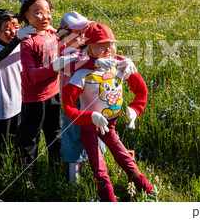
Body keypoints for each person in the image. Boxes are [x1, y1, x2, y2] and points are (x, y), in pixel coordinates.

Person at [16, 0, 117, 175]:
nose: (45, 17)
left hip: (54, 93)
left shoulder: (54, 35)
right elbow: (30, 76)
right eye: (38, 13)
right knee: (30, 138)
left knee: (55, 134)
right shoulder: (27, 43)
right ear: (26, 17)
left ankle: (57, 169)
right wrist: (17, 37)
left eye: (47, 12)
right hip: (33, 98)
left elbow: (77, 58)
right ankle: (27, 176)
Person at [62, 23, 152, 202]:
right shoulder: (83, 73)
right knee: (99, 168)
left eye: (111, 44)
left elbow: (141, 90)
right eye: (101, 46)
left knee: (124, 156)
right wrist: (89, 117)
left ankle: (148, 191)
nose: (108, 50)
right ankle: (109, 201)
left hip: (110, 124)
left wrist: (134, 110)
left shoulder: (119, 67)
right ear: (89, 50)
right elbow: (68, 103)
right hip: (90, 126)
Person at [54, 12, 136, 183]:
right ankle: (74, 180)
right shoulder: (65, 51)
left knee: (99, 133)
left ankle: (95, 170)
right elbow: (73, 64)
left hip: (95, 98)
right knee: (75, 138)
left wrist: (124, 60)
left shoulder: (86, 47)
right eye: (77, 32)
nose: (82, 36)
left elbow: (106, 55)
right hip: (76, 103)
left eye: (84, 31)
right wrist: (95, 63)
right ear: (64, 34)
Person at [0, 9, 36, 163]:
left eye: (16, 27)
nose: (12, 32)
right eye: (6, 29)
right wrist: (17, 40)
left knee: (16, 139)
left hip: (19, 102)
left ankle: (12, 166)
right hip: (0, 105)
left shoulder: (22, 47)